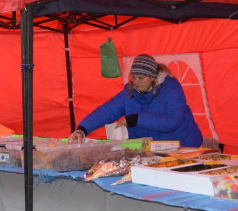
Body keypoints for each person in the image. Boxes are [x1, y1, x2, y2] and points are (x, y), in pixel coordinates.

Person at [67, 54, 203, 147]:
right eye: (134, 77)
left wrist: (136, 119)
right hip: (154, 150)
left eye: (141, 78)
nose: (136, 82)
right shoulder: (129, 92)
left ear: (152, 78)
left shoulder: (171, 88)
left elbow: (172, 121)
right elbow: (106, 111)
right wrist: (82, 129)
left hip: (185, 147)